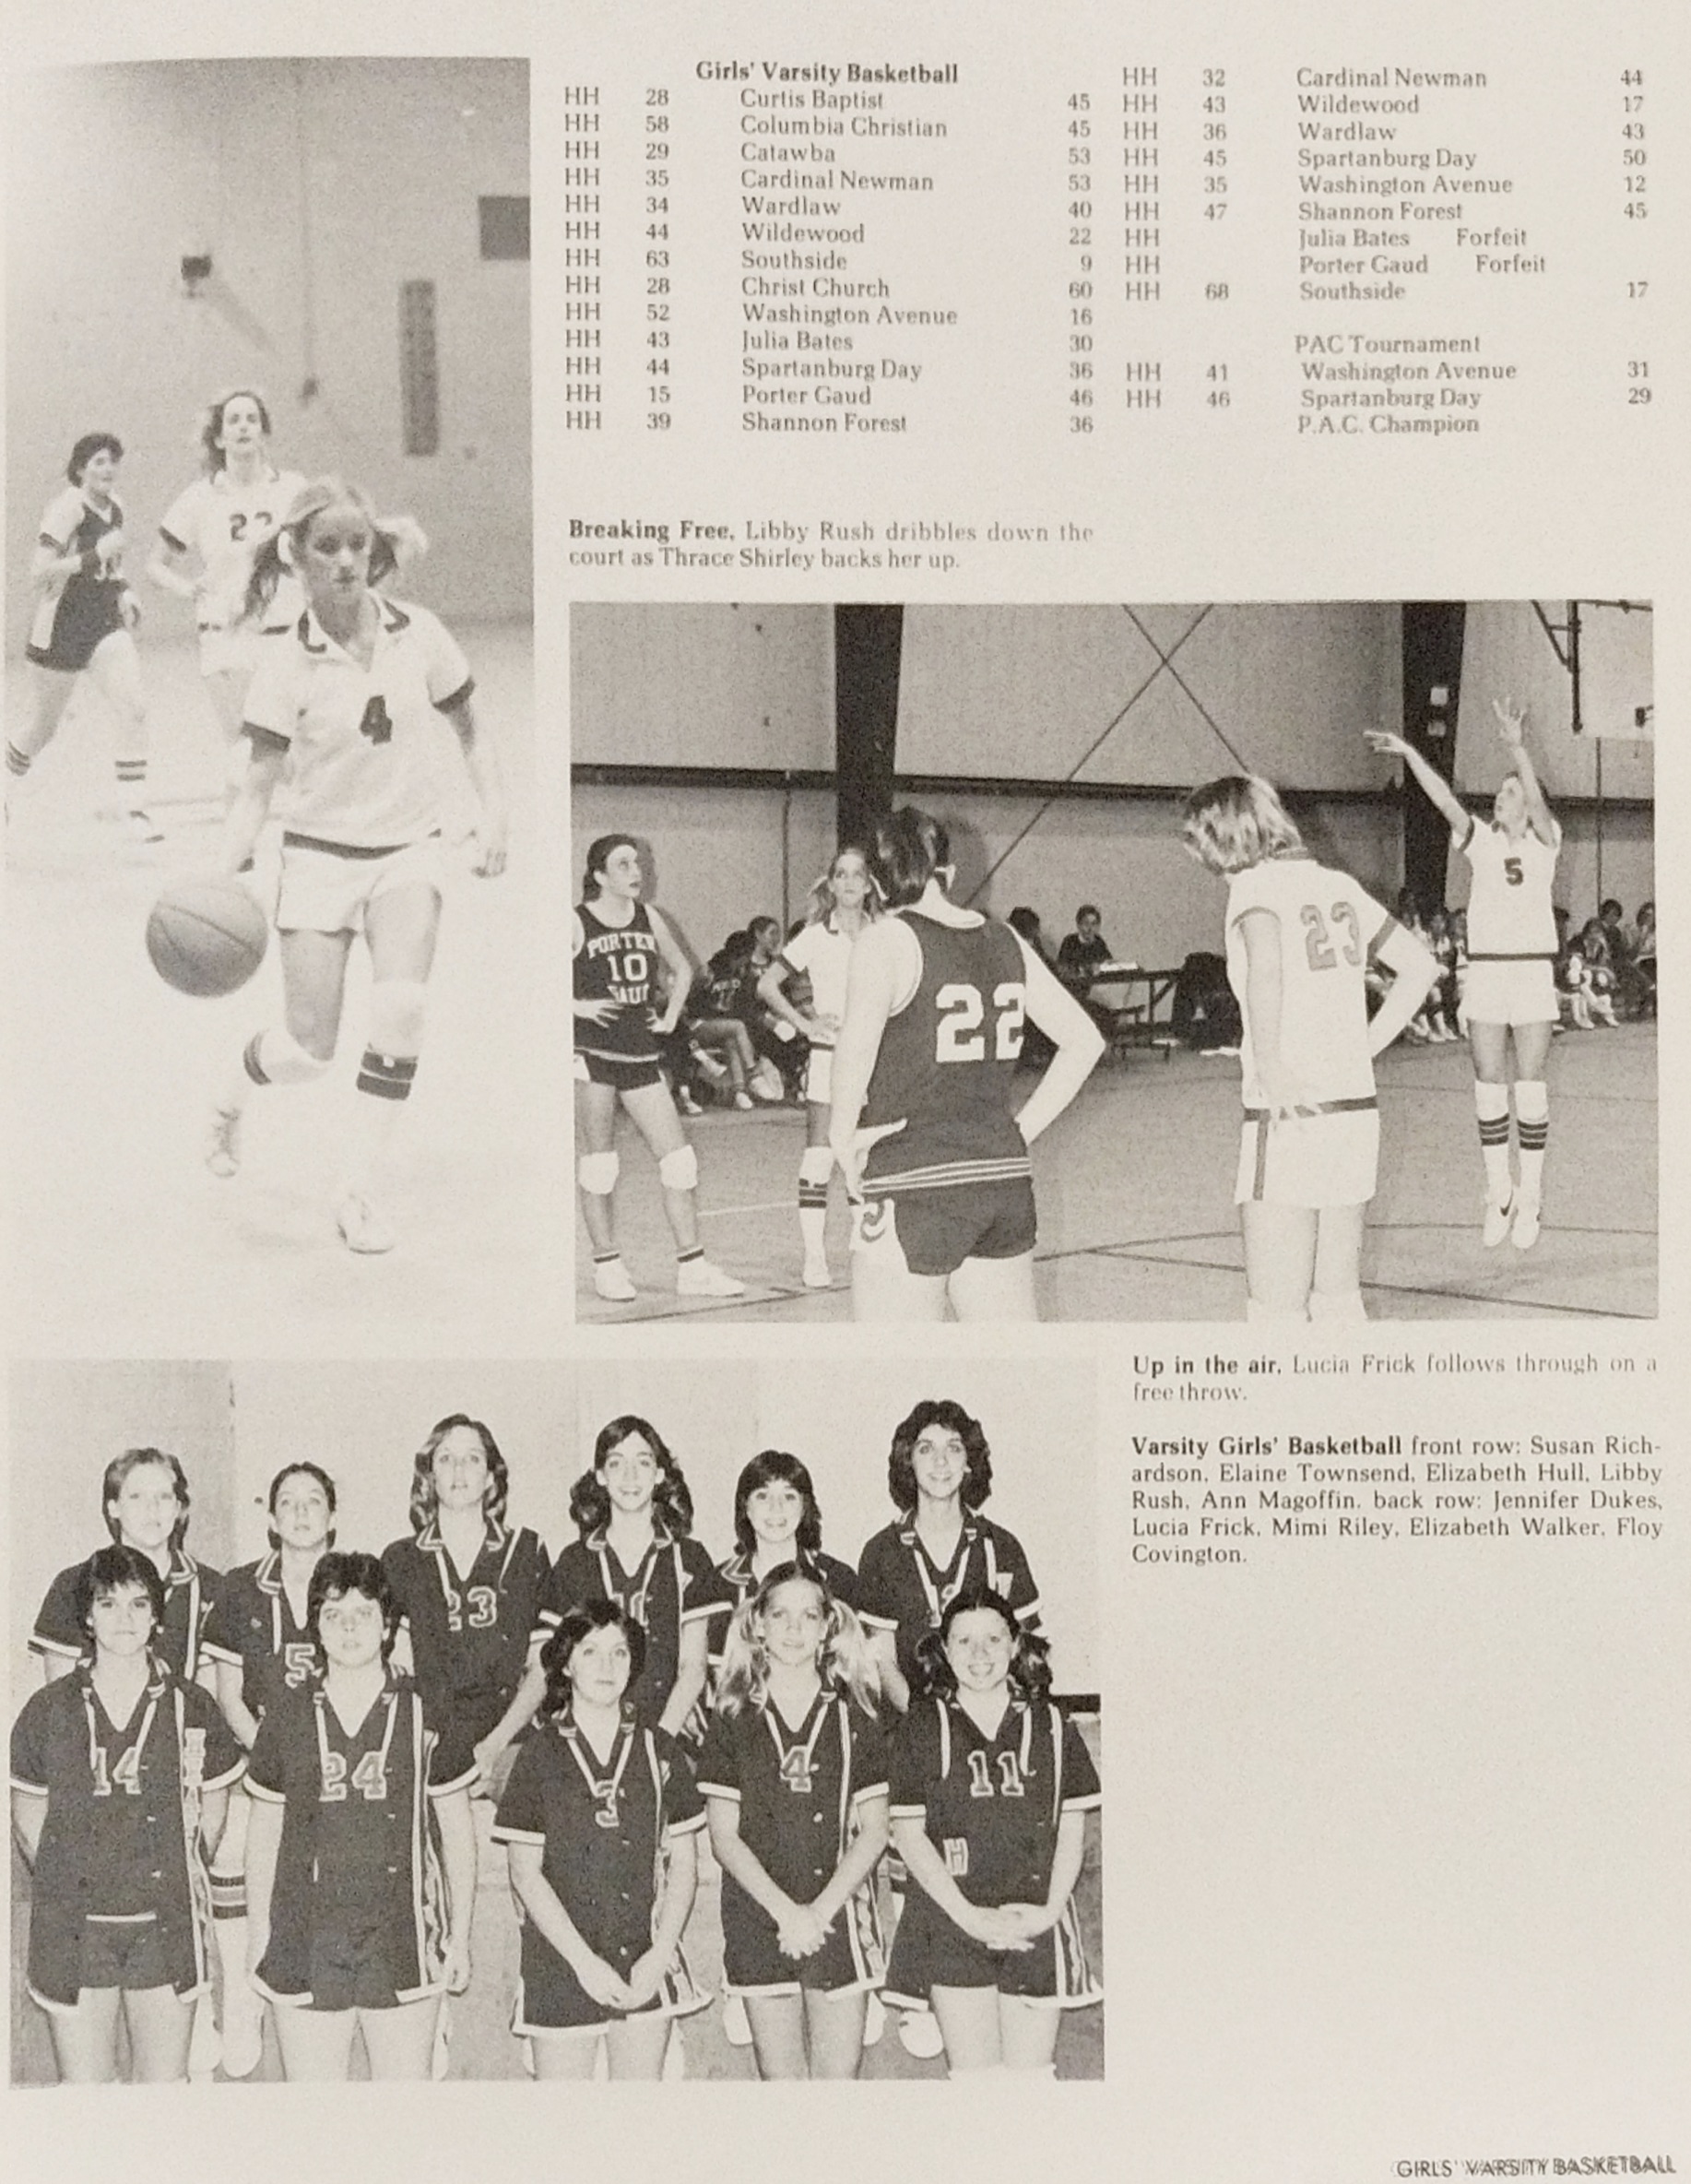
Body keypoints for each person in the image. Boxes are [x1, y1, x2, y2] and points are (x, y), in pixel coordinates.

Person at [204, 477, 508, 1256]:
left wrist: (492, 814)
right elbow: (258, 787)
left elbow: (473, 733)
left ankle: (356, 1190)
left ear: (376, 551)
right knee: (307, 1053)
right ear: (296, 557)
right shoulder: (283, 664)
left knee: (402, 1007)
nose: (345, 561)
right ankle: (233, 1094)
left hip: (409, 848)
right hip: (317, 855)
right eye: (327, 547)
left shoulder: (423, 632)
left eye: (357, 545)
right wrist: (219, 869)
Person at [828, 807, 1106, 1322]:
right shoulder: (1006, 939)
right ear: (949, 875)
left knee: (896, 1381)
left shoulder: (886, 940)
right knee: (1006, 1376)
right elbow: (1084, 1042)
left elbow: (853, 1053)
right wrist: (1019, 1130)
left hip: (914, 1181)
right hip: (1001, 1181)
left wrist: (842, 1142)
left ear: (877, 887)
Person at [1182, 774, 1437, 1322]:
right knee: (1338, 1300)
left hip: (1289, 1110)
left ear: (1226, 835)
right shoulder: (1337, 885)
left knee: (1276, 1313)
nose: (1197, 854)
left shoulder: (1254, 890)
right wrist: (1364, 1046)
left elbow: (1268, 969)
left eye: (1198, 838)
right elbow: (1421, 967)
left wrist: (1271, 1064)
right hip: (1353, 1110)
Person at [10, 1546, 245, 2083]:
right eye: (108, 1604)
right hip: (76, 1925)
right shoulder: (50, 1709)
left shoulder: (192, 1704)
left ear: (157, 1616)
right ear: (87, 1616)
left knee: (159, 2094)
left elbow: (213, 1805)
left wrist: (183, 1864)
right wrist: (66, 1876)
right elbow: (28, 1817)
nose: (124, 1619)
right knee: (87, 2094)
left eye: (139, 1605)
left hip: (162, 1921)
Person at [243, 1552, 477, 2081]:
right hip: (306, 1933)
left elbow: (458, 1832)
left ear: (388, 1623)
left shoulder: (427, 1709)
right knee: (315, 2117)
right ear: (316, 1629)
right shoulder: (286, 1712)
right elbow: (264, 1833)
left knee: (400, 2114)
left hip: (404, 1930)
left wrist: (459, 1934)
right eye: (333, 1614)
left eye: (364, 1612)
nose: (349, 1627)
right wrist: (259, 1933)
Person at [1366, 702, 1562, 1249]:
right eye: (1500, 793)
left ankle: (1531, 1197)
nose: (1501, 798)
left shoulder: (1547, 842)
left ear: (1526, 803)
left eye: (1510, 793)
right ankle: (1499, 1190)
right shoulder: (1481, 840)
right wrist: (1408, 752)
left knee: (1531, 1090)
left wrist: (1516, 748)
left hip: (1530, 975)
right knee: (1487, 1089)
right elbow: (1445, 801)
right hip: (1489, 974)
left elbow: (1540, 804)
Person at [884, 1587, 1100, 2078]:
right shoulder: (922, 1724)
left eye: (992, 1640)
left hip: (1033, 1918)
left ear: (1015, 1644)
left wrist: (1047, 1913)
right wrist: (970, 1919)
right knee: (977, 2082)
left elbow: (1072, 1829)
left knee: (1029, 2081)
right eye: (963, 1642)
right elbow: (909, 1835)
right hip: (953, 1918)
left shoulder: (1051, 1724)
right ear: (943, 1649)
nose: (979, 1655)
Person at [491, 1601, 706, 2079]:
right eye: (590, 1652)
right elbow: (524, 1873)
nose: (607, 1667)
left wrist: (661, 1953)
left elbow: (686, 1867)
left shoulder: (659, 1748)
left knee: (637, 2124)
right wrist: (584, 1964)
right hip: (562, 1958)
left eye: (620, 1653)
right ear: (566, 1663)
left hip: (644, 1954)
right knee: (567, 2128)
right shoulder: (537, 1754)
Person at [699, 1566, 889, 2079]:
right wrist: (787, 1914)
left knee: (836, 2088)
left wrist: (817, 1913)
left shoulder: (857, 1712)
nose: (794, 1628)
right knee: (781, 2088)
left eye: (809, 1616)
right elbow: (723, 1836)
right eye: (779, 1614)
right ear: (757, 1624)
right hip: (760, 1916)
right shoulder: (732, 1715)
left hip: (840, 1913)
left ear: (828, 1626)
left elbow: (874, 1831)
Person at [202, 1460, 338, 2077]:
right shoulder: (238, 1588)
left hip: (340, 1760)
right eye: (290, 1501)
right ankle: (245, 1993)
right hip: (261, 1759)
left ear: (332, 1517)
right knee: (233, 1844)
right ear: (271, 1516)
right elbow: (229, 1696)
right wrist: (274, 1762)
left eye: (314, 1501)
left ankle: (423, 1999)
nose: (302, 1511)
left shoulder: (354, 1582)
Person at [574, 833, 746, 1302]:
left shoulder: (649, 917)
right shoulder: (576, 923)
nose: (636, 871)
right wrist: (576, 1006)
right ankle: (607, 1264)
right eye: (624, 864)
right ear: (599, 876)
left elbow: (683, 968)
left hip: (639, 1052)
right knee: (599, 1167)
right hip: (592, 1056)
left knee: (678, 1161)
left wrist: (670, 1017)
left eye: (638, 863)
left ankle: (693, 1269)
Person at [380, 1416, 552, 1789]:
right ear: (429, 1476)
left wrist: (494, 1745)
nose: (459, 1471)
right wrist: (421, 1745)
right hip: (431, 1737)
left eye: (472, 1459)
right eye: (446, 1459)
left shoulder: (526, 1550)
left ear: (491, 1476)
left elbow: (543, 1667)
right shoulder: (401, 1558)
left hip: (511, 1736)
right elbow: (395, 1668)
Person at [8, 432, 160, 840]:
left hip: (103, 624)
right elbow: (39, 570)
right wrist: (95, 554)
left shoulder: (117, 507)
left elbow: (113, 568)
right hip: (60, 627)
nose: (107, 468)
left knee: (134, 706)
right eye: (98, 462)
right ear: (80, 470)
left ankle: (135, 809)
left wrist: (125, 591)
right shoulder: (67, 508)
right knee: (42, 728)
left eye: (112, 461)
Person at [146, 389, 309, 766]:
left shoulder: (293, 488)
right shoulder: (199, 497)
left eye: (252, 419)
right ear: (219, 438)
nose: (243, 426)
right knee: (245, 750)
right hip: (225, 635)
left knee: (294, 752)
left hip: (282, 632)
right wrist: (187, 587)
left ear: (263, 432)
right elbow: (155, 566)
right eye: (233, 420)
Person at [855, 1400, 1040, 1717]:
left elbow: (1026, 1649)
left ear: (969, 1462)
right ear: (908, 1461)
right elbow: (881, 1661)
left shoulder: (1002, 1547)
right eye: (926, 1449)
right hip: (910, 1724)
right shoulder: (881, 1552)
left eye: (954, 1448)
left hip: (988, 1720)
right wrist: (925, 1724)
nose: (940, 1461)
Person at [540, 1417, 715, 1743]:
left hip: (669, 1727)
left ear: (660, 1475)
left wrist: (660, 1743)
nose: (631, 1476)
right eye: (617, 1464)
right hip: (593, 1729)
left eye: (643, 1463)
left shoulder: (688, 1557)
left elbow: (693, 1668)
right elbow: (558, 1661)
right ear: (601, 1476)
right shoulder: (574, 1560)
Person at [759, 847, 881, 1288]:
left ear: (869, 884)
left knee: (864, 1156)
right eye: (841, 875)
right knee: (820, 1155)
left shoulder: (885, 932)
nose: (849, 882)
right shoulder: (814, 934)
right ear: (831, 884)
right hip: (830, 1057)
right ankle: (814, 1257)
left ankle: (866, 1250)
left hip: (876, 1060)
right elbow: (768, 984)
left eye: (857, 875)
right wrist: (806, 1024)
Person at [32, 1448, 220, 1691]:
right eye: (136, 1497)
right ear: (113, 1508)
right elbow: (61, 1697)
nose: (152, 1508)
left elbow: (209, 1703)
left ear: (177, 1508)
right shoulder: (72, 1584)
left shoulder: (213, 1589)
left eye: (163, 1497)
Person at [704, 1450, 860, 1672]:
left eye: (789, 1496)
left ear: (804, 1506)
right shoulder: (714, 1586)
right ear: (745, 1507)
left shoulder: (838, 1580)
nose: (776, 1508)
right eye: (762, 1496)